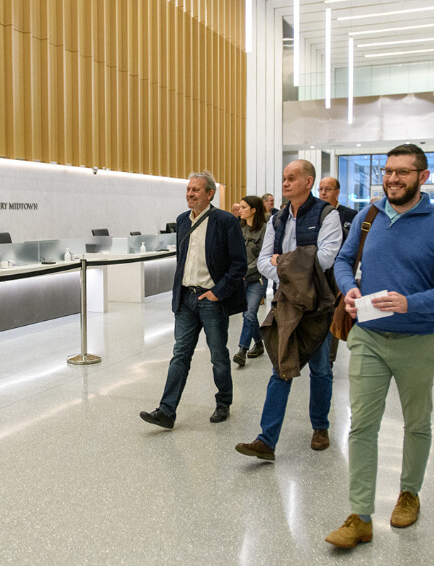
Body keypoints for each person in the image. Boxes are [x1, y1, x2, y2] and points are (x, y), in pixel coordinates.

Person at [325, 144, 434, 549]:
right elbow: (342, 260)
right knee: (362, 426)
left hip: (418, 340)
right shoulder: (369, 216)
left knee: (417, 422)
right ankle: (360, 516)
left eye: (403, 172)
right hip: (368, 336)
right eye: (388, 171)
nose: (392, 179)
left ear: (422, 177)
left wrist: (412, 303)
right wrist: (350, 289)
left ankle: (409, 492)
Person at [235, 159, 342, 460]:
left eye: (292, 178)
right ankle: (266, 440)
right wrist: (291, 266)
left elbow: (326, 258)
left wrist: (283, 263)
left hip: (318, 306)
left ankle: (320, 426)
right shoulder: (277, 219)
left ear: (309, 182)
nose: (285, 183)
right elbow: (262, 261)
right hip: (285, 303)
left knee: (320, 369)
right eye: (284, 178)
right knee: (280, 368)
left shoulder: (326, 216)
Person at [140, 171, 247, 429]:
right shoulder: (182, 221)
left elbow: (239, 264)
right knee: (180, 355)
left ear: (210, 194)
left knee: (218, 355)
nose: (190, 194)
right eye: (188, 189)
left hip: (211, 299)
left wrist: (217, 292)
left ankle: (223, 401)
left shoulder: (225, 221)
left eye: (196, 190)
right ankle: (166, 411)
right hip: (186, 300)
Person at [317, 176, 358, 365]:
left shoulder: (350, 215)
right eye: (321, 189)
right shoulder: (314, 213)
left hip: (339, 273)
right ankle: (317, 355)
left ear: (337, 192)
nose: (323, 193)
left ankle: (329, 359)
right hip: (317, 272)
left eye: (328, 189)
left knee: (334, 313)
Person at [232, 195, 268, 367]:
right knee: (248, 315)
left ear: (253, 210)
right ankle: (259, 344)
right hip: (240, 279)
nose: (240, 210)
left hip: (257, 278)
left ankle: (242, 351)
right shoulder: (238, 228)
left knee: (249, 313)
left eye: (244, 207)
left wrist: (245, 271)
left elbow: (263, 256)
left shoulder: (265, 230)